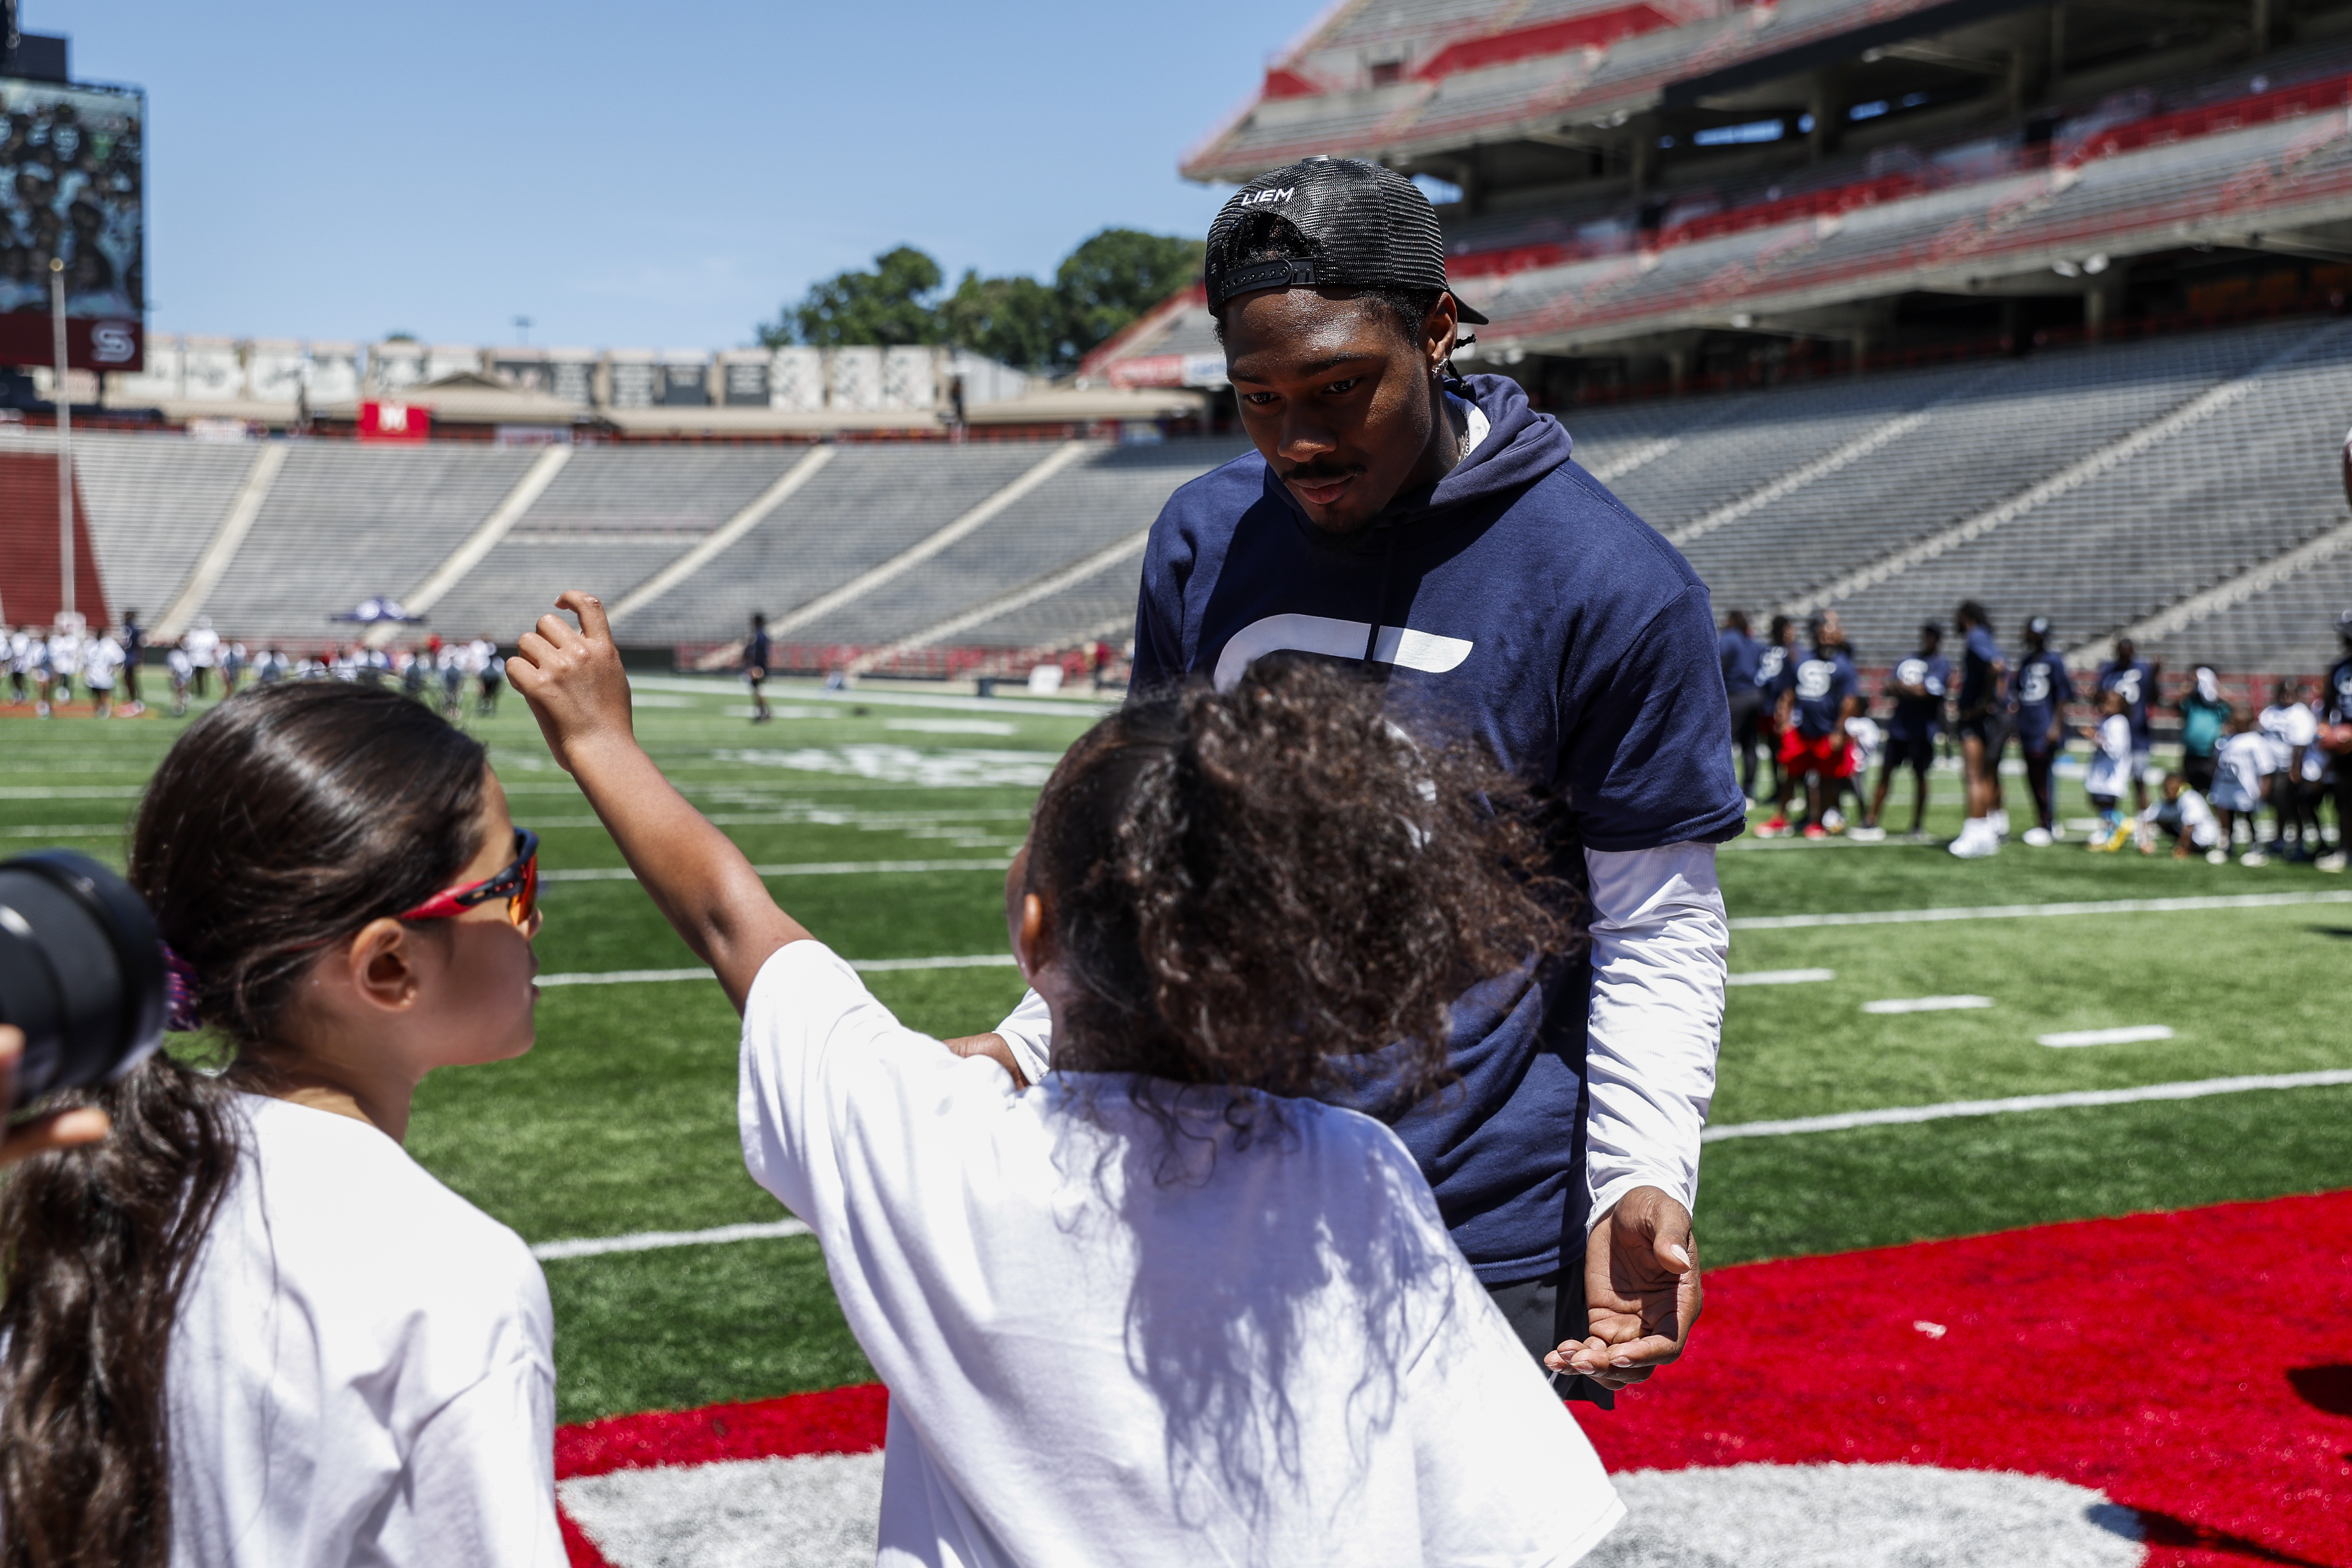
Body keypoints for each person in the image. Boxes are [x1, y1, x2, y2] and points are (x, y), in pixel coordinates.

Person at [513, 595, 1627, 1563]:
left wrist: (599, 740)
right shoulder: (1355, 1177)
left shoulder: (930, 1145)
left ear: (1033, 927)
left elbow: (732, 921)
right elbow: (1504, 1523)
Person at [962, 158, 1737, 1404]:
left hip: (1472, 1219)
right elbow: (1145, 858)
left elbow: (1654, 920)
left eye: (1338, 388)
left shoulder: (1609, 581)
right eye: (1256, 399)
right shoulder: (1203, 537)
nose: (1299, 442)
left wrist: (1640, 1174)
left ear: (1435, 329)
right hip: (1213, 1171)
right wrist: (1019, 1046)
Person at [0, 681, 564, 1567]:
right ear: (387, 966)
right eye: (513, 878)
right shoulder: (451, 1278)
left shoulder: (122, 1177)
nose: (536, 913)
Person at [1863, 620, 1949, 841]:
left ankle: (1917, 824)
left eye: (1933, 635)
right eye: (1927, 634)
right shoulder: (1907, 660)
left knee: (1920, 778)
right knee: (1885, 775)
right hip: (1899, 729)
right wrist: (1913, 690)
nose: (1929, 639)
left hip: (1923, 732)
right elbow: (1889, 686)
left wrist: (1904, 689)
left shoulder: (1941, 664)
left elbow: (1927, 693)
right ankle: (1871, 820)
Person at [1776, 616, 1860, 840]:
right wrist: (1784, 720)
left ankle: (1818, 821)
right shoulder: (1802, 659)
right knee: (1791, 774)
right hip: (1803, 729)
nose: (1827, 637)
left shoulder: (1844, 664)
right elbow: (1790, 692)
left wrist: (1839, 730)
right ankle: (1781, 818)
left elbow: (1849, 700)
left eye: (1831, 633)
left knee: (1827, 779)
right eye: (1823, 632)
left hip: (1827, 730)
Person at [1949, 600, 2007, 858]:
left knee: (1973, 776)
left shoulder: (1976, 637)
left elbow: (1996, 666)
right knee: (1984, 776)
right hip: (1987, 717)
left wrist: (1983, 703)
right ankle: (1986, 832)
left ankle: (1974, 833)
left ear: (1966, 616)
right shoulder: (1985, 636)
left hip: (1975, 718)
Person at [2010, 616, 2073, 847]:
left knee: (2043, 776)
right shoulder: (2026, 661)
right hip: (2028, 725)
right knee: (2032, 776)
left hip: (2043, 726)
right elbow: (2018, 694)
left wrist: (2056, 726)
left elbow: (2063, 696)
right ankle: (2043, 819)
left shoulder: (2054, 661)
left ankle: (2048, 822)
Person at [2095, 636, 2157, 816]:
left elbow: (2154, 698)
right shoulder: (2108, 670)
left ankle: (2143, 818)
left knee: (2139, 778)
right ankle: (2112, 820)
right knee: (2109, 780)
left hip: (2137, 734)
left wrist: (2155, 676)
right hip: (2114, 733)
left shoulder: (2144, 670)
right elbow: (2100, 697)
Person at [2209, 710, 2274, 864]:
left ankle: (2255, 847)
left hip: (2246, 788)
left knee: (2248, 817)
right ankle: (2227, 846)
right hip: (2227, 786)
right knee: (2228, 817)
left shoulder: (2255, 741)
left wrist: (2264, 787)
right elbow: (2216, 758)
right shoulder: (2226, 740)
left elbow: (2266, 767)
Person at [1720, 610, 1765, 802]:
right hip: (1755, 695)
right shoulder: (1752, 643)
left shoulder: (1729, 639)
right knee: (1750, 745)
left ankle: (1724, 790)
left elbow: (1718, 662)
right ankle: (1749, 790)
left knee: (1724, 743)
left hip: (1736, 696)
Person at [2083, 689, 2134, 852]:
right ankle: (2110, 832)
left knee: (2104, 800)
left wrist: (2095, 737)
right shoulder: (2109, 720)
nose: (2107, 706)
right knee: (2099, 800)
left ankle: (2120, 823)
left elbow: (2115, 749)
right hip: (2103, 770)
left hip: (2110, 772)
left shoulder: (2119, 722)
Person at [2321, 611, 2352, 873]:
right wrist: (2328, 732)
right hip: (2344, 747)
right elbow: (2328, 708)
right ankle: (2345, 849)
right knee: (2344, 799)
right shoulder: (2338, 668)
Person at [2137, 771, 2221, 859]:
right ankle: (2184, 845)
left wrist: (2182, 848)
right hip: (2189, 833)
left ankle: (2190, 848)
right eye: (2166, 787)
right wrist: (2145, 842)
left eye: (2171, 786)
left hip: (2205, 838)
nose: (2168, 790)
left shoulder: (2191, 799)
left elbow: (2189, 827)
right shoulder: (2167, 802)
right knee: (2161, 820)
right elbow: (2147, 818)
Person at [2179, 666, 2230, 796]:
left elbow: (2236, 711)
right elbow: (2175, 704)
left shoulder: (2219, 706)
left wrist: (2218, 693)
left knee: (2213, 791)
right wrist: (2189, 688)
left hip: (2210, 755)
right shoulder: (2191, 703)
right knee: (2192, 791)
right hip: (2192, 754)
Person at [81, 624, 125, 718]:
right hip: (96, 675)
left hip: (101, 675)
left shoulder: (108, 645)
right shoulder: (93, 645)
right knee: (99, 694)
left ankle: (105, 709)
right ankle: (102, 709)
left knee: (104, 693)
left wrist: (115, 670)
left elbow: (119, 659)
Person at [745, 611, 773, 723]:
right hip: (760, 665)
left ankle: (765, 712)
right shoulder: (760, 634)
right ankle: (764, 712)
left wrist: (756, 666)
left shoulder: (760, 635)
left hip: (759, 666)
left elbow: (761, 653)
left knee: (757, 688)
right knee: (756, 688)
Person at [184, 614, 219, 699]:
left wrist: (214, 659)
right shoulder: (193, 633)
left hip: (206, 660)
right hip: (195, 659)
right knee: (193, 676)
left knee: (205, 676)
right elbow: (188, 646)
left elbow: (215, 647)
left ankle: (202, 691)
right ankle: (191, 691)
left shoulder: (211, 634)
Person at [120, 606, 145, 715]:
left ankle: (136, 699)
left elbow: (139, 645)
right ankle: (132, 698)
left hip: (131, 657)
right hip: (126, 657)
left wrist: (139, 658)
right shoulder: (126, 628)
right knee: (126, 679)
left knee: (131, 679)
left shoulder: (134, 629)